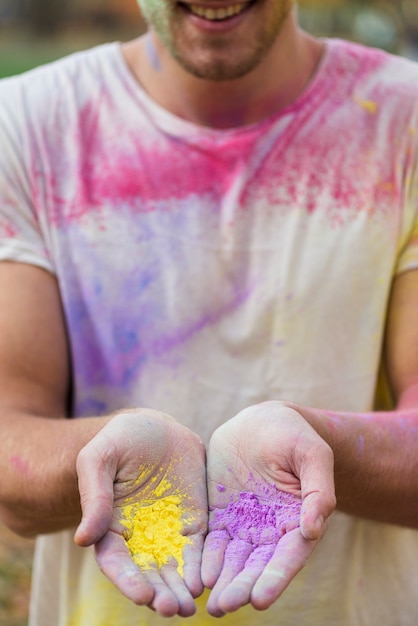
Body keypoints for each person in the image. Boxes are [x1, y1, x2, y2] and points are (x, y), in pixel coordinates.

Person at [0, 0, 417, 624]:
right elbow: (11, 448)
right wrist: (109, 451)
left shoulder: (404, 119)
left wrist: (320, 444)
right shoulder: (24, 125)